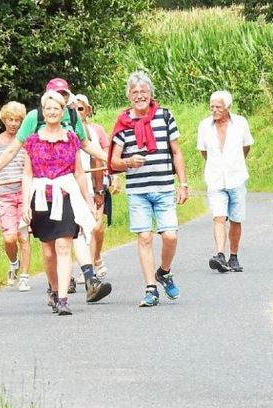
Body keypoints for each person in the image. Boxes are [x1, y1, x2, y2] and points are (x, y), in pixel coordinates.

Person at [0, 78, 111, 304]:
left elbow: (86, 145)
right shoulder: (34, 119)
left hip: (69, 187)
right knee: (50, 248)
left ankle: (88, 279)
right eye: (55, 97)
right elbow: (12, 151)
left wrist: (114, 160)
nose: (60, 101)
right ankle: (56, 288)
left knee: (72, 235)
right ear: (45, 101)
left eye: (64, 96)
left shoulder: (73, 117)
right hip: (42, 190)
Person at [109, 71, 189, 307]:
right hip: (138, 190)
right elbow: (113, 162)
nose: (139, 96)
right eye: (135, 92)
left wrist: (182, 184)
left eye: (143, 91)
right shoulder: (123, 124)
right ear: (129, 96)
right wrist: (128, 162)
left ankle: (163, 272)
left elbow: (176, 152)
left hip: (164, 187)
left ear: (151, 94)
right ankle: (150, 289)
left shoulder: (165, 116)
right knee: (144, 237)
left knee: (170, 236)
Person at [21, 90, 98, 315]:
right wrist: (25, 203)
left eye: (56, 108)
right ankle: (54, 291)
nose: (52, 112)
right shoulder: (33, 140)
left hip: (65, 195)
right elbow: (27, 174)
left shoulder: (71, 137)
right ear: (43, 113)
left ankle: (64, 299)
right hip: (41, 197)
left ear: (63, 112)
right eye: (48, 109)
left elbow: (79, 173)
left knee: (64, 246)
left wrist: (88, 200)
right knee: (48, 252)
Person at [197, 90, 254, 273]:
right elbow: (203, 151)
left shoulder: (240, 123)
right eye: (212, 106)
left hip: (236, 177)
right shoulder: (204, 126)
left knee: (236, 219)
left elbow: (246, 146)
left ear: (227, 107)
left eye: (218, 107)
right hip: (215, 178)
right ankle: (220, 254)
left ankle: (234, 257)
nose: (214, 110)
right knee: (219, 217)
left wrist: (235, 162)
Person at [0, 101, 32, 292]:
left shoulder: (27, 139)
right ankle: (13, 263)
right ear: (3, 120)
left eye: (17, 120)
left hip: (23, 193)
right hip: (4, 195)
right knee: (9, 238)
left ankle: (24, 276)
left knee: (23, 237)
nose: (13, 124)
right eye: (10, 120)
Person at [74, 93, 119, 279]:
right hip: (75, 185)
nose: (77, 112)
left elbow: (105, 157)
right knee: (79, 230)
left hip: (97, 183)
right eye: (73, 109)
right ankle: (90, 266)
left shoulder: (96, 131)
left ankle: (94, 260)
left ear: (88, 111)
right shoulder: (65, 132)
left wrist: (113, 178)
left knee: (95, 227)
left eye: (80, 108)